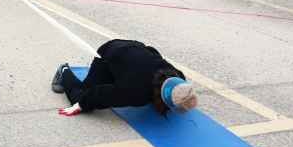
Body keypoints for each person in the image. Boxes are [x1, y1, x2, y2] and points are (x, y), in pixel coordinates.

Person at [51, 39, 198, 116]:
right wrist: (81, 105)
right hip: (110, 53)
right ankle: (64, 71)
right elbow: (99, 95)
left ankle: (122, 73)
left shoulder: (178, 76)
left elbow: (153, 52)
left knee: (130, 78)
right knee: (80, 96)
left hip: (136, 48)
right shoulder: (135, 94)